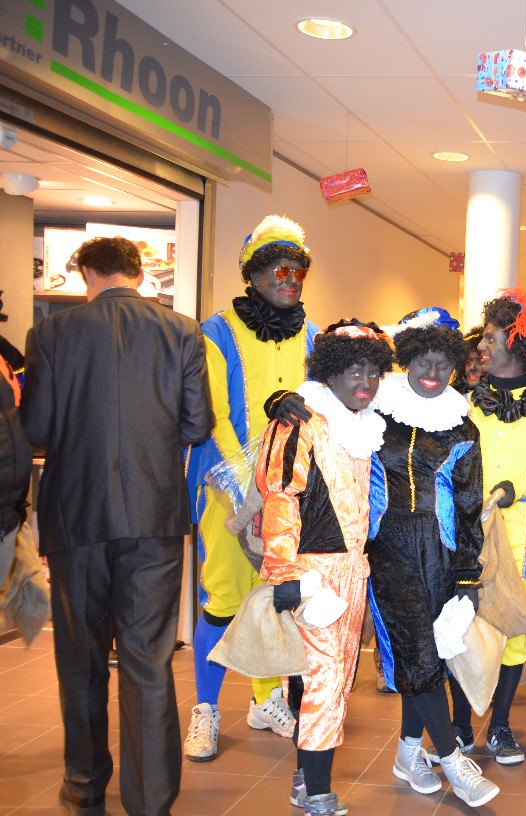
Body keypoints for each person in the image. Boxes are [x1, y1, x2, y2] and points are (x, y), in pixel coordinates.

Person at [22, 236, 212, 815]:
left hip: (76, 515)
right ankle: (150, 801)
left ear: (87, 274)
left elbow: (37, 430)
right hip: (154, 516)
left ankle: (84, 789)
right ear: (138, 273)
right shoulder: (182, 331)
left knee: (81, 659)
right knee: (147, 660)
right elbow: (197, 425)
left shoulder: (51, 333)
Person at [184, 215, 318, 761]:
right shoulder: (216, 332)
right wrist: (248, 488)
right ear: (254, 274)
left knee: (275, 598)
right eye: (279, 270)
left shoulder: (312, 335)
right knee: (223, 599)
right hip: (229, 488)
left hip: (290, 494)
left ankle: (265, 700)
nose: (290, 280)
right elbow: (213, 416)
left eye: (298, 271)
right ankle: (206, 710)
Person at [257, 320, 393, 816]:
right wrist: (284, 574)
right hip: (313, 575)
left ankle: (303, 778)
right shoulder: (300, 421)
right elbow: (280, 496)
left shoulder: (365, 423)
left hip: (353, 573)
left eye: (373, 372)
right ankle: (317, 793)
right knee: (325, 681)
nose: (365, 382)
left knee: (324, 679)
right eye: (354, 370)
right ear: (330, 372)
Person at [366, 308, 499, 807]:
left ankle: (407, 753)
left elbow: (468, 508)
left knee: (429, 656)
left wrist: (467, 577)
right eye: (423, 361)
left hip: (441, 554)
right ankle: (452, 758)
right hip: (387, 549)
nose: (433, 372)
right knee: (418, 653)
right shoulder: (376, 410)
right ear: (406, 359)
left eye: (444, 364)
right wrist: (284, 399)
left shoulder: (462, 428)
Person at [449, 289, 526, 765]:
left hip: (522, 544)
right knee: (459, 631)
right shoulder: (462, 407)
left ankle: (500, 727)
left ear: (517, 346)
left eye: (491, 339)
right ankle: (459, 728)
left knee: (514, 639)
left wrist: (516, 488)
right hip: (464, 541)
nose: (481, 347)